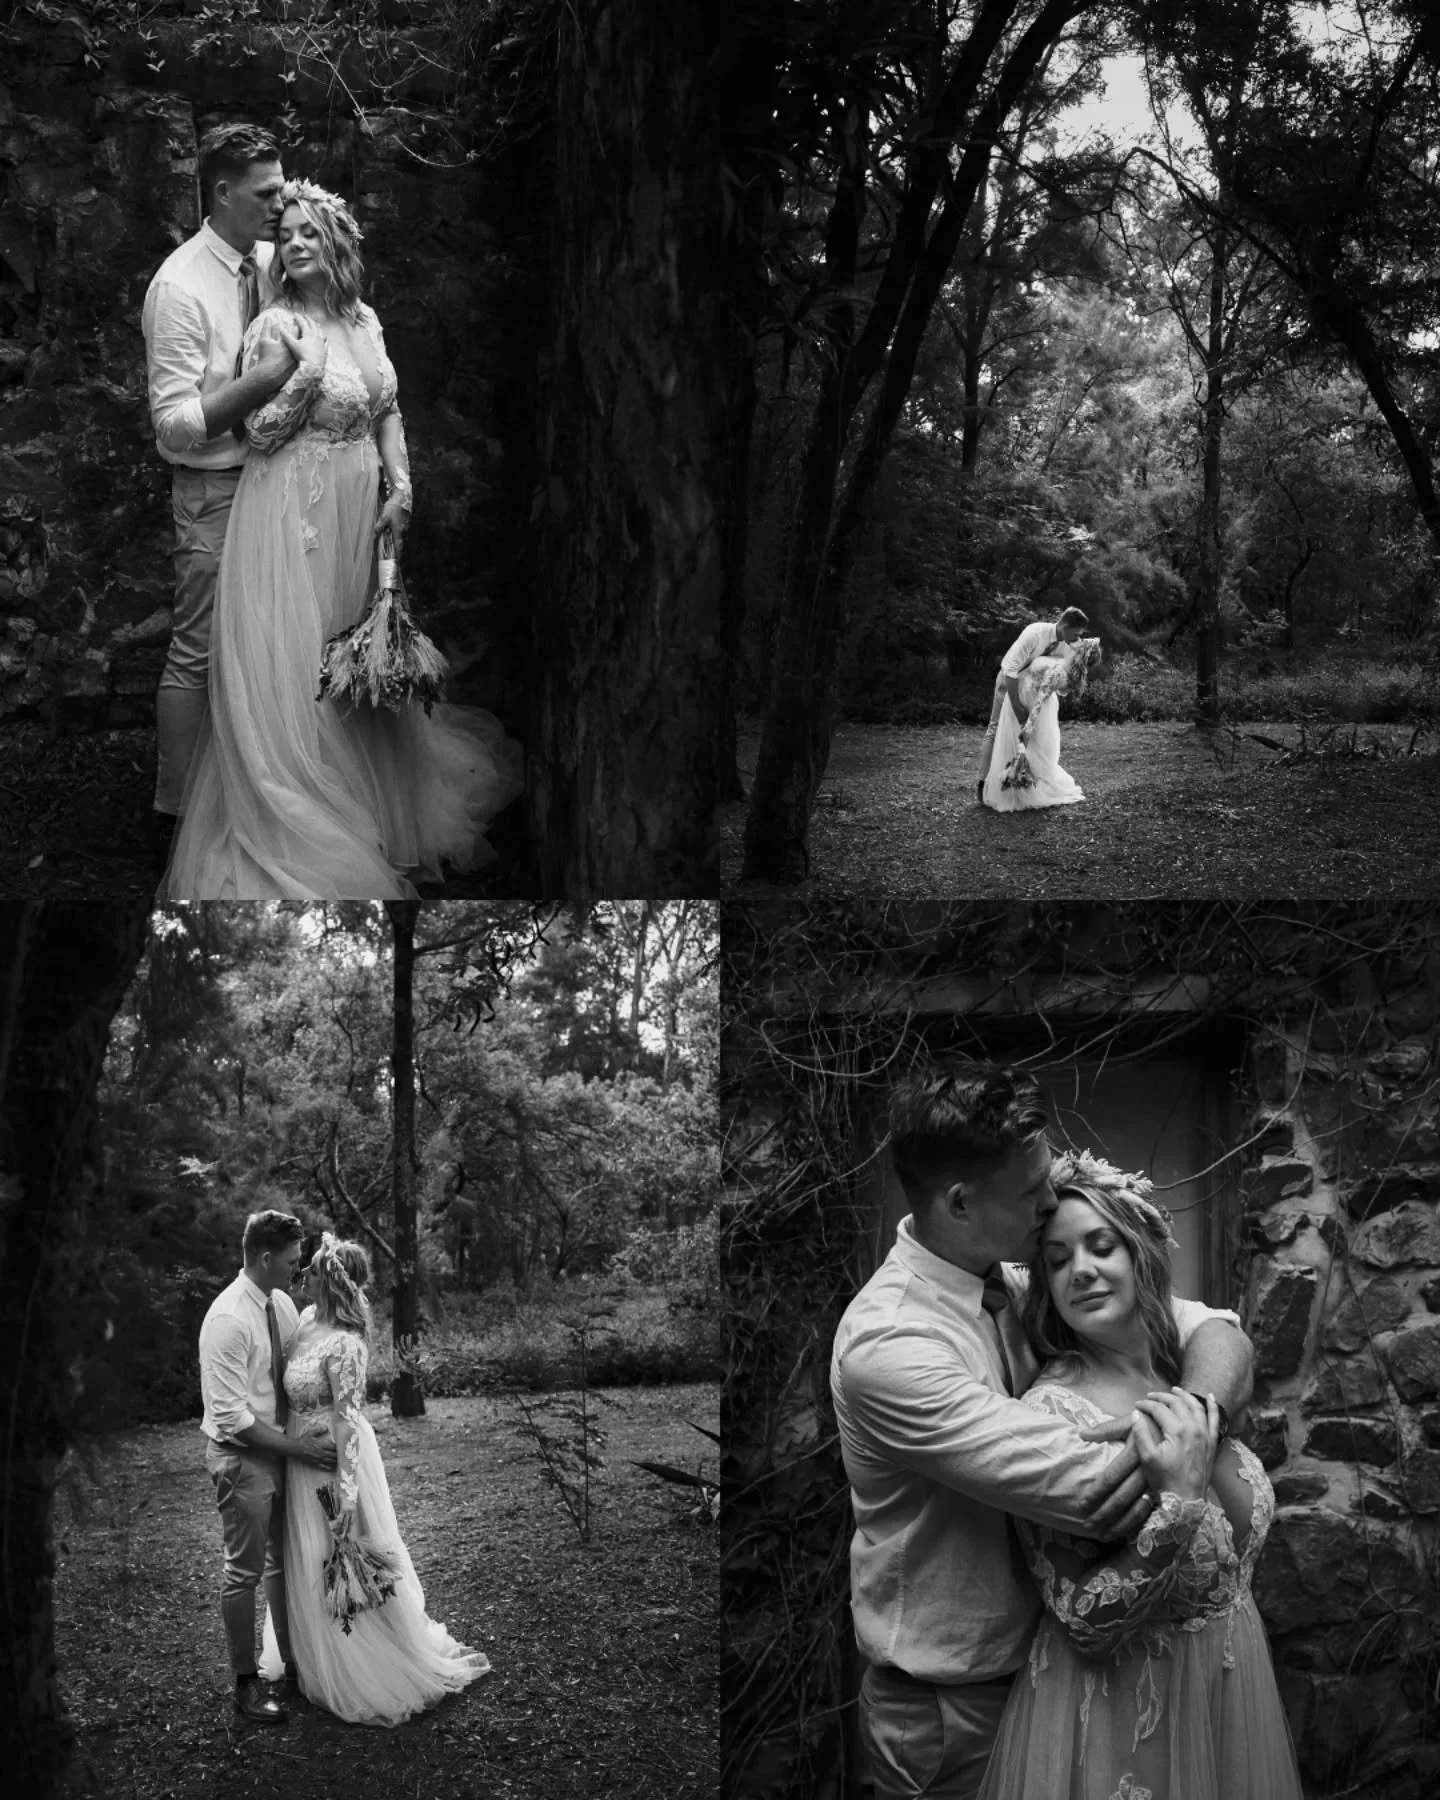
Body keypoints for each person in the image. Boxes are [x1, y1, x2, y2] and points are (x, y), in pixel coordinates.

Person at [830, 1062, 1254, 1800]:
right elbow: (1097, 1488)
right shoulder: (890, 1347)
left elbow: (1212, 1330)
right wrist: (1179, 1458)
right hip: (951, 1711)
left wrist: (1191, 1409)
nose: (1052, 1199)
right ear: (961, 1203)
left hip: (1063, 1677)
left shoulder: (1021, 1279)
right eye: (1033, 1191)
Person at [159, 178, 521, 898]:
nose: (292, 243)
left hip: (359, 508)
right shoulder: (275, 327)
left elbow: (387, 407)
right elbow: (256, 433)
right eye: (284, 232)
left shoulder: (367, 320)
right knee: (300, 660)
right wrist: (306, 370)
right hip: (291, 510)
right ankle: (303, 806)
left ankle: (374, 806)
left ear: (337, 243)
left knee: (355, 656)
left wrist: (402, 489)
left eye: (307, 232)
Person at [976, 1153, 1303, 1800]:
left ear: (1141, 1256)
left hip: (1228, 1699)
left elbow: (1225, 1339)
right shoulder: (1048, 1416)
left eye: (1102, 1246)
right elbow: (1081, 1619)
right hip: (1121, 1718)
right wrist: (1178, 1507)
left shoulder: (1185, 1374)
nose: (1083, 1271)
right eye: (1058, 1258)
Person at [142, 123, 312, 873]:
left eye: (283, 187)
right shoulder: (179, 288)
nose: (283, 203)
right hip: (212, 488)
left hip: (280, 487)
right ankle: (173, 815)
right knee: (199, 649)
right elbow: (174, 427)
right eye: (267, 193)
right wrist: (261, 384)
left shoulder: (278, 261)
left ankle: (260, 795)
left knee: (273, 642)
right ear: (221, 193)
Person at [257, 1233, 490, 1724]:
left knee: (341, 1554)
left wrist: (347, 1493)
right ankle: (311, 1657)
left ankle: (359, 1662)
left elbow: (346, 1419)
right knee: (307, 1555)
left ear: (331, 1280)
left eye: (313, 1270)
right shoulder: (303, 1322)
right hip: (300, 1458)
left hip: (335, 1459)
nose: (304, 1276)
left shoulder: (347, 1343)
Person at [198, 1209, 338, 1724]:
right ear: (263, 1258)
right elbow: (232, 1417)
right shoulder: (228, 1320)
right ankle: (244, 1684)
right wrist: (297, 1449)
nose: (297, 1271)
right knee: (244, 1571)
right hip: (243, 1456)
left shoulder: (280, 1303)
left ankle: (294, 1664)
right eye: (291, 1261)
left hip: (283, 1450)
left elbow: (296, 1373)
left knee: (286, 1562)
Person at [975, 606, 1089, 806]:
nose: (1077, 639)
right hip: (1008, 684)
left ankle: (1020, 782)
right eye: (1076, 634)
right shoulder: (1035, 633)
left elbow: (1056, 674)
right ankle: (983, 784)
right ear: (1064, 625)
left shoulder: (1065, 644)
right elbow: (1010, 669)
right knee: (995, 729)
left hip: (1031, 692)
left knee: (1027, 736)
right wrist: (1018, 707)